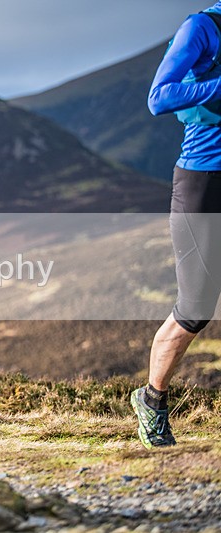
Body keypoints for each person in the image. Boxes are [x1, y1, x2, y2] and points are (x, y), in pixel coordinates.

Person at [134, 2, 221, 448]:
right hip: (203, 180)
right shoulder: (202, 28)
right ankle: (151, 400)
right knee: (195, 308)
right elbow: (159, 97)